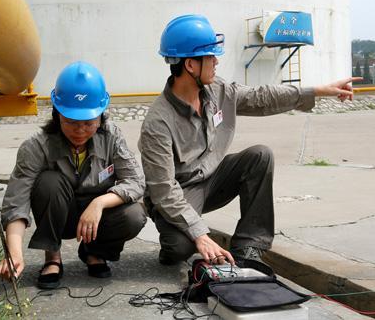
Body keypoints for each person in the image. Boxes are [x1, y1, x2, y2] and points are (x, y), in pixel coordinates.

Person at [139, 14, 360, 267]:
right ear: (190, 65)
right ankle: (174, 240)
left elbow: (262, 97)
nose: (216, 61)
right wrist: (201, 234)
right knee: (180, 247)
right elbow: (164, 189)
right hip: (180, 191)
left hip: (213, 179)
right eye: (211, 56)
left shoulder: (217, 91)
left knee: (260, 156)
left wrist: (318, 91)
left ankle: (249, 248)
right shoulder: (158, 123)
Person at [0, 61, 146, 289]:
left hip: (96, 219)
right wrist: (14, 254)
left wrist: (100, 202)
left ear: (101, 117)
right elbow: (16, 202)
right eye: (71, 122)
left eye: (89, 123)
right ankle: (52, 257)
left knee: (134, 214)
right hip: (58, 214)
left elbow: (135, 181)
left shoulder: (112, 136)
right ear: (57, 115)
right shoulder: (36, 146)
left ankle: (95, 252)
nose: (80, 130)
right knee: (48, 182)